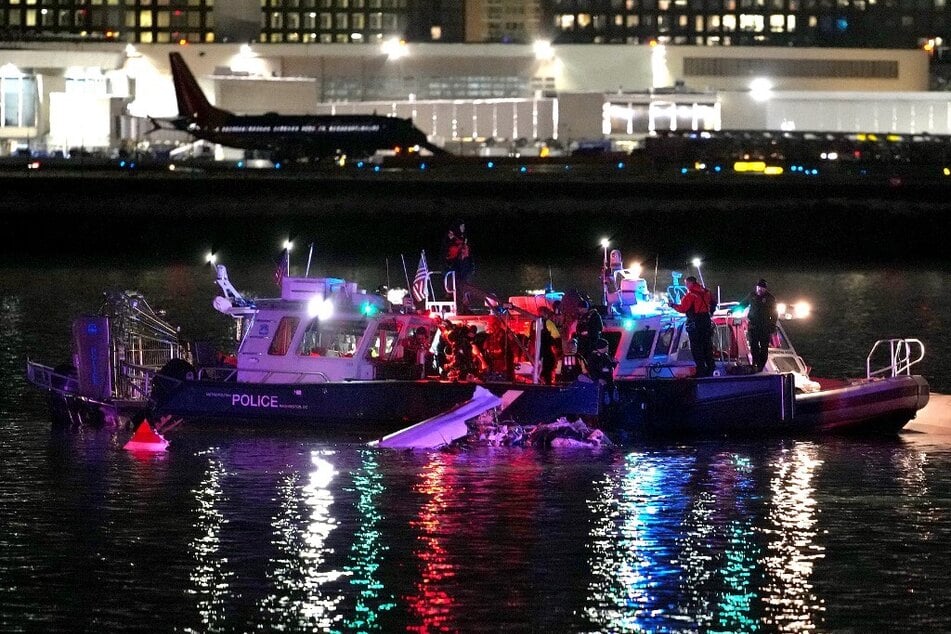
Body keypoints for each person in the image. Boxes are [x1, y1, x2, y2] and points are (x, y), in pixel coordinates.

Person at [672, 275, 716, 378]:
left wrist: (672, 305)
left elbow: (682, 308)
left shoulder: (691, 295)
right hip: (706, 321)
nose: (686, 285)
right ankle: (711, 368)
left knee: (697, 348)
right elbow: (713, 302)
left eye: (686, 283)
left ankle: (701, 371)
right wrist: (711, 313)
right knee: (707, 346)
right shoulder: (706, 292)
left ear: (691, 283)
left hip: (695, 322)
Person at [737, 278, 778, 372]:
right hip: (753, 326)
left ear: (765, 289)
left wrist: (772, 325)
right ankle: (755, 363)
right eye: (759, 287)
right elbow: (743, 304)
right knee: (753, 345)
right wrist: (734, 309)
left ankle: (761, 365)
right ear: (756, 287)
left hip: (765, 327)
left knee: (764, 347)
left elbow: (775, 313)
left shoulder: (770, 298)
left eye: (762, 288)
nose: (760, 289)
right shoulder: (751, 295)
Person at [444, 220, 474, 314]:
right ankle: (450, 306)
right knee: (453, 287)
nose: (463, 228)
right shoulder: (451, 239)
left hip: (465, 267)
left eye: (463, 226)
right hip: (454, 267)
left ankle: (465, 307)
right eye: (461, 226)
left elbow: (467, 252)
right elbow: (450, 253)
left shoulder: (464, 238)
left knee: (466, 288)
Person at [587, 338, 618, 405]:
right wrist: (598, 379)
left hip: (609, 382)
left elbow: (609, 368)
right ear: (602, 347)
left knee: (611, 401)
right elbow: (592, 370)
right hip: (600, 384)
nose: (607, 348)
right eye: (606, 346)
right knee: (602, 402)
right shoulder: (594, 357)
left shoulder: (606, 356)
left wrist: (614, 363)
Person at [537, 306, 561, 384]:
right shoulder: (548, 322)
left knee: (539, 367)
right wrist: (558, 348)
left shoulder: (534, 322)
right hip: (546, 349)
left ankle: (539, 380)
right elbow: (556, 336)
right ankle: (547, 383)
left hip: (537, 350)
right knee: (549, 366)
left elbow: (529, 336)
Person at [576, 297, 603, 362]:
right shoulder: (581, 316)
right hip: (583, 343)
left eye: (580, 308)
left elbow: (599, 328)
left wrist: (588, 332)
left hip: (592, 342)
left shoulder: (594, 316)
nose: (579, 310)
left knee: (591, 359)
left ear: (584, 308)